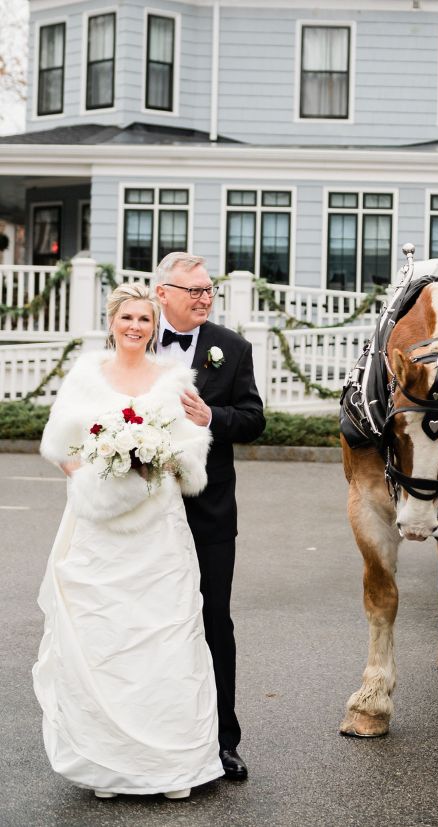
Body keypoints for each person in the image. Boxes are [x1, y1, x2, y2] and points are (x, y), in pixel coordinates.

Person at [33, 283, 223, 800]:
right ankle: (109, 766)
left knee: (163, 635)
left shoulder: (173, 380)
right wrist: (89, 479)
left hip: (157, 526)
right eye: (127, 318)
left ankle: (171, 768)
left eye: (145, 319)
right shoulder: (85, 376)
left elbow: (193, 451)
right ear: (112, 321)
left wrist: (157, 461)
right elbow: (57, 443)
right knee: (104, 635)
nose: (136, 326)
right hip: (97, 525)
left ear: (154, 325)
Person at [155, 252, 266, 781]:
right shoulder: (132, 340)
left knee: (213, 619)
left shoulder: (233, 347)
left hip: (210, 510)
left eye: (208, 290)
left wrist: (212, 416)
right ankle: (154, 732)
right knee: (147, 619)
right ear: (163, 293)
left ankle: (224, 739)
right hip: (143, 511)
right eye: (194, 290)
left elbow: (253, 419)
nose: (204, 298)